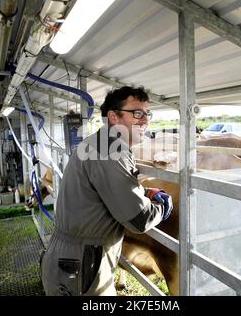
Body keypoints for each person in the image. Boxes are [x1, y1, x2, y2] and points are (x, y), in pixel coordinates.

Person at [41, 86, 173, 296]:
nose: (145, 120)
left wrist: (144, 192)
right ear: (113, 116)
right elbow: (139, 219)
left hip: (74, 259)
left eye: (148, 114)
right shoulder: (110, 150)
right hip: (82, 264)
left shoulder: (100, 143)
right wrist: (163, 206)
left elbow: (108, 188)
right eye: (137, 113)